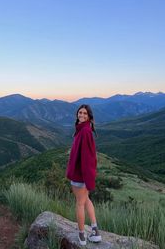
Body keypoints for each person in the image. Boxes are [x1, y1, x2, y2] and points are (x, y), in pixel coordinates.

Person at [66, 104, 102, 246]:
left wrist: (88, 179)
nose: (81, 115)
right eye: (80, 113)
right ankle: (95, 231)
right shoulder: (83, 129)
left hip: (79, 176)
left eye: (85, 114)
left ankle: (81, 236)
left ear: (89, 117)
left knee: (80, 204)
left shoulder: (85, 131)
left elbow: (88, 158)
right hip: (82, 175)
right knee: (86, 200)